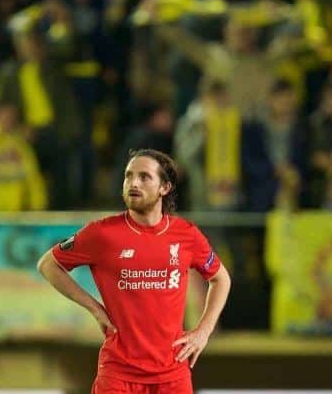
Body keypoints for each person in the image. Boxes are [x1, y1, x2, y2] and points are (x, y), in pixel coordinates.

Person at [37, 149, 231, 393]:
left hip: (173, 374)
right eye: (128, 176)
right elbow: (48, 265)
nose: (133, 183)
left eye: (144, 177)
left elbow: (220, 278)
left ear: (165, 188)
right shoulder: (102, 233)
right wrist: (94, 308)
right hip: (118, 374)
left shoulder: (186, 234)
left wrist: (204, 330)